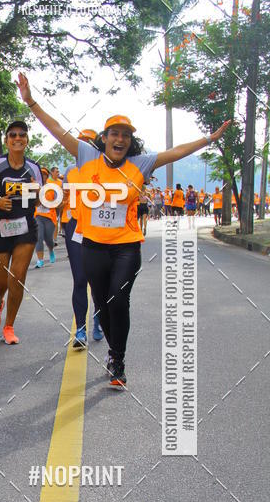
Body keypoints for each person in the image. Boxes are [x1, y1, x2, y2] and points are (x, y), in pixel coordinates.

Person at [17, 71, 230, 388]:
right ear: (104, 138)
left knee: (119, 300)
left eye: (126, 136)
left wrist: (208, 140)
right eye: (114, 134)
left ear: (130, 142)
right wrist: (31, 101)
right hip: (93, 245)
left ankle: (117, 359)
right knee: (102, 305)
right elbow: (58, 129)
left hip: (126, 247)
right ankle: (111, 343)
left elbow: (177, 152)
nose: (120, 140)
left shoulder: (140, 164)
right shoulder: (87, 154)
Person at [0, 120, 43, 345]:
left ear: (27, 140)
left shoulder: (34, 168)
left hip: (25, 227)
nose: (18, 138)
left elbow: (39, 200)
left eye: (22, 135)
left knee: (17, 278)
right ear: (7, 141)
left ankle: (9, 326)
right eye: (13, 135)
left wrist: (39, 193)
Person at [62, 128, 104, 348]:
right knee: (79, 279)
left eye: (89, 143)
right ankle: (80, 330)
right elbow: (62, 200)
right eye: (80, 143)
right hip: (75, 228)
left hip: (99, 228)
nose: (83, 147)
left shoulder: (104, 167)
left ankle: (98, 317)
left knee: (97, 281)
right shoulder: (69, 171)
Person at [34, 167, 60, 267]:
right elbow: (30, 202)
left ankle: (51, 249)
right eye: (41, 174)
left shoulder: (52, 188)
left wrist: (48, 204)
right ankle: (40, 260)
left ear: (47, 176)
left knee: (48, 239)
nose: (43, 176)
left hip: (50, 216)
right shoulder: (34, 187)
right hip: (38, 216)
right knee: (39, 237)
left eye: (45, 174)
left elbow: (58, 202)